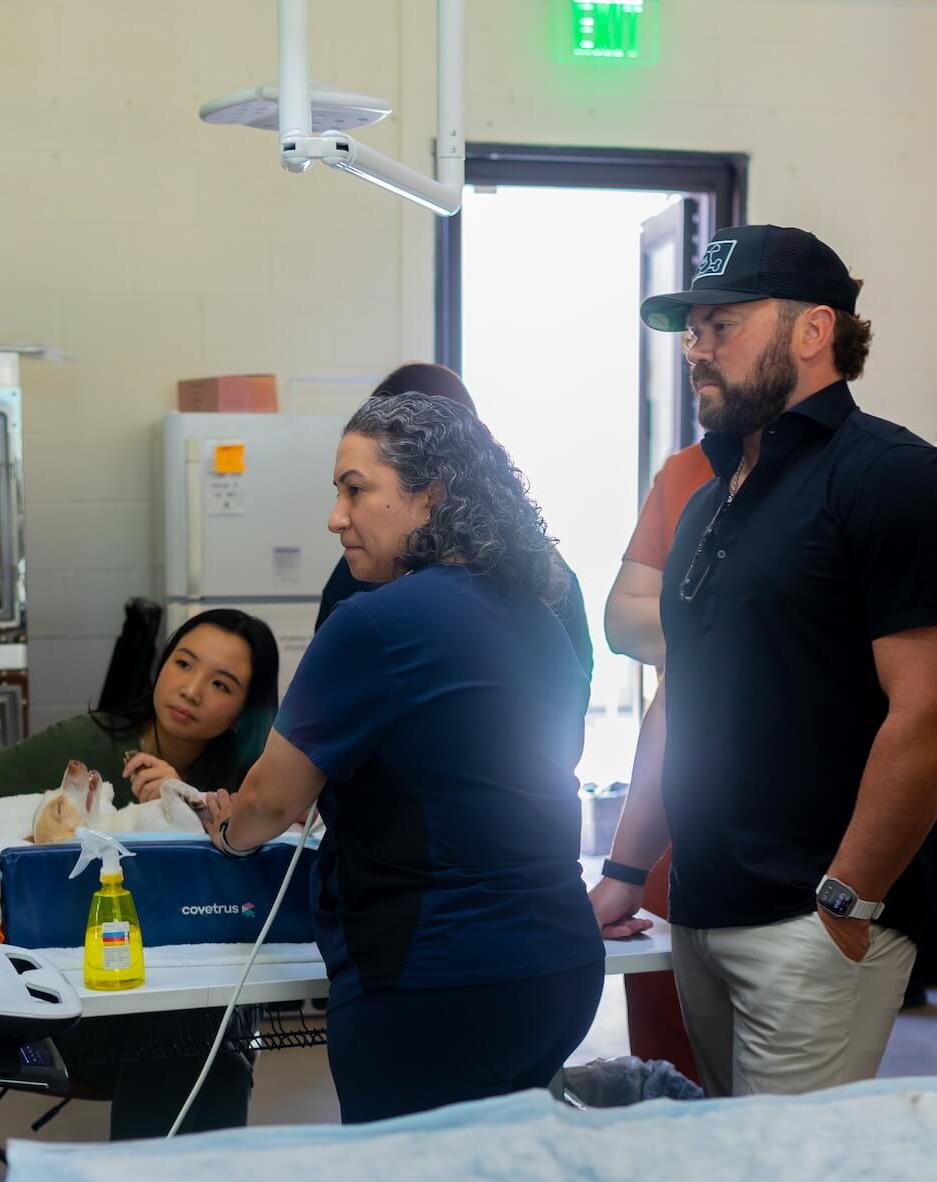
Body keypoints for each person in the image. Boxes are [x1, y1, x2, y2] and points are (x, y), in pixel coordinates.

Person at [591, 223, 937, 1098]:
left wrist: (847, 901)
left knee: (787, 1175)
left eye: (723, 326)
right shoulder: (707, 504)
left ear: (814, 330)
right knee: (729, 1163)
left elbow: (926, 712)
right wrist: (627, 873)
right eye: (691, 331)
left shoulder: (891, 477)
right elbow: (683, 698)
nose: (695, 351)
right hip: (701, 911)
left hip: (813, 921)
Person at [202, 393, 605, 1124]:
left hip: (435, 978)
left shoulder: (374, 624)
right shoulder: (537, 616)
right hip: (560, 969)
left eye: (356, 490)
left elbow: (271, 800)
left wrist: (227, 833)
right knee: (503, 1172)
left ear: (433, 496)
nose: (336, 517)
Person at [0, 608, 280, 1137]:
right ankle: (173, 1176)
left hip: (202, 994)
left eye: (221, 684)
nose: (191, 691)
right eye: (183, 664)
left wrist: (183, 803)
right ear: (161, 667)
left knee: (204, 1018)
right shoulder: (91, 742)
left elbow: (280, 860)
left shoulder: (251, 780)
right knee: (199, 1031)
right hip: (88, 998)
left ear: (242, 711)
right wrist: (36, 841)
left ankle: (167, 1176)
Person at [315, 362, 594, 680]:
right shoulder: (359, 572)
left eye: (356, 489)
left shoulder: (545, 579)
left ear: (434, 487)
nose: (337, 520)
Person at [604, 443, 713, 1086]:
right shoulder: (685, 473)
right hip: (671, 842)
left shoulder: (867, 472)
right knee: (670, 1073)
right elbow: (622, 622)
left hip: (806, 870)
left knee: (777, 1111)